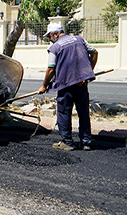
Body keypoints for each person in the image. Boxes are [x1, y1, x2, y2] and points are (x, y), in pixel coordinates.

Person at [37, 22, 98, 151]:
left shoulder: (55, 47)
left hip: (66, 85)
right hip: (81, 83)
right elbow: (94, 53)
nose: (49, 39)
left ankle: (67, 142)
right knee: (83, 112)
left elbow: (51, 70)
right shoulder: (80, 39)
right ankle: (86, 142)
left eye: (50, 36)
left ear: (56, 34)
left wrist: (44, 86)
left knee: (64, 112)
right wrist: (88, 72)